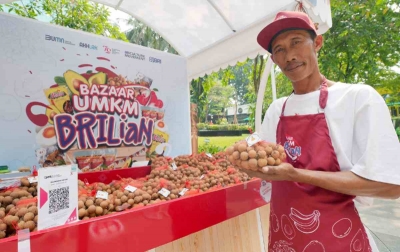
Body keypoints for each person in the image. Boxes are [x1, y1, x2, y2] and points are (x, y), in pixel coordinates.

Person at [251, 11, 400, 252]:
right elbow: (266, 168)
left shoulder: (357, 98)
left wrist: (297, 174)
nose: (289, 56)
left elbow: (391, 186)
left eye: (296, 42)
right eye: (279, 50)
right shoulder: (277, 109)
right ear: (273, 59)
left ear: (317, 42)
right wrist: (249, 165)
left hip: (337, 238)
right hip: (284, 238)